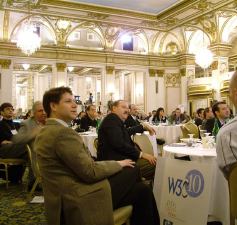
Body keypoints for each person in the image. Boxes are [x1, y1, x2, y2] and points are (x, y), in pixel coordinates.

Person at [34, 87, 159, 225]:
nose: (75, 105)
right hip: (77, 197)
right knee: (133, 169)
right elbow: (90, 171)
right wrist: (118, 164)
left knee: (142, 190)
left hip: (66, 193)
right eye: (68, 101)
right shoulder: (62, 133)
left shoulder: (50, 130)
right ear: (53, 106)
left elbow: (84, 164)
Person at [98, 100, 157, 180]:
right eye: (123, 107)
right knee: (155, 164)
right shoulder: (112, 119)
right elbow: (119, 144)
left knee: (153, 160)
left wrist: (143, 126)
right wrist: (141, 154)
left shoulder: (115, 120)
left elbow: (126, 132)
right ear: (114, 108)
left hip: (122, 157)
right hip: (116, 162)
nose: (127, 110)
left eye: (128, 108)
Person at [12, 101, 46, 190]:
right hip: (38, 152)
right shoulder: (27, 124)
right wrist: (33, 134)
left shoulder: (50, 121)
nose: (44, 113)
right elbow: (16, 140)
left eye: (45, 110)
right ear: (34, 113)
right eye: (40, 111)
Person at [0, 102, 27, 183]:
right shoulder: (0, 125)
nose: (11, 110)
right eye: (8, 109)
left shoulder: (17, 125)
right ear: (1, 112)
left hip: (17, 148)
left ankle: (35, 177)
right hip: (4, 150)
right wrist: (1, 142)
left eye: (12, 109)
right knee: (29, 148)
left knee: (31, 149)